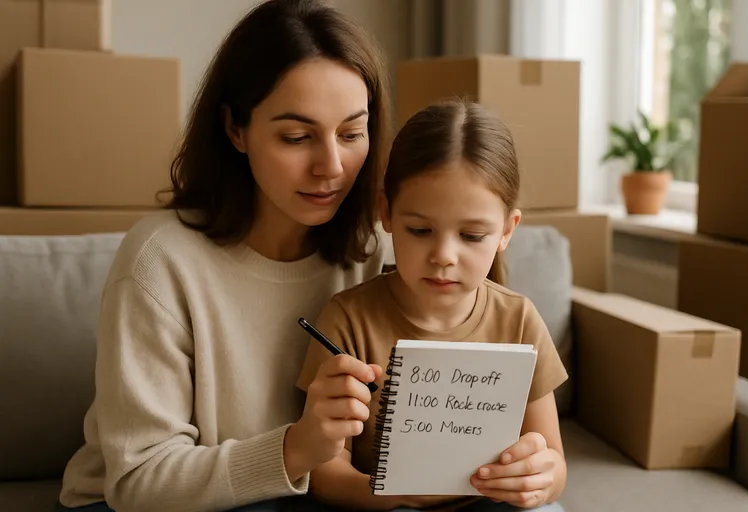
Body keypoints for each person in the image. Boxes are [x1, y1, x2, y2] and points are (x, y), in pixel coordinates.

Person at [55, 0, 393, 511]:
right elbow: (137, 482)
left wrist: (526, 461)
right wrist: (297, 447)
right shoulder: (159, 261)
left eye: (351, 133)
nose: (332, 165)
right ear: (236, 129)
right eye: (297, 137)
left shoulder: (375, 249)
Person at [297, 99, 569, 512]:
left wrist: (539, 478)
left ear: (506, 231)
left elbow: (555, 465)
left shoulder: (518, 319)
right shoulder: (348, 319)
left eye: (472, 236)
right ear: (386, 212)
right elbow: (325, 476)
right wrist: (394, 492)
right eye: (420, 230)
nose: (443, 255)